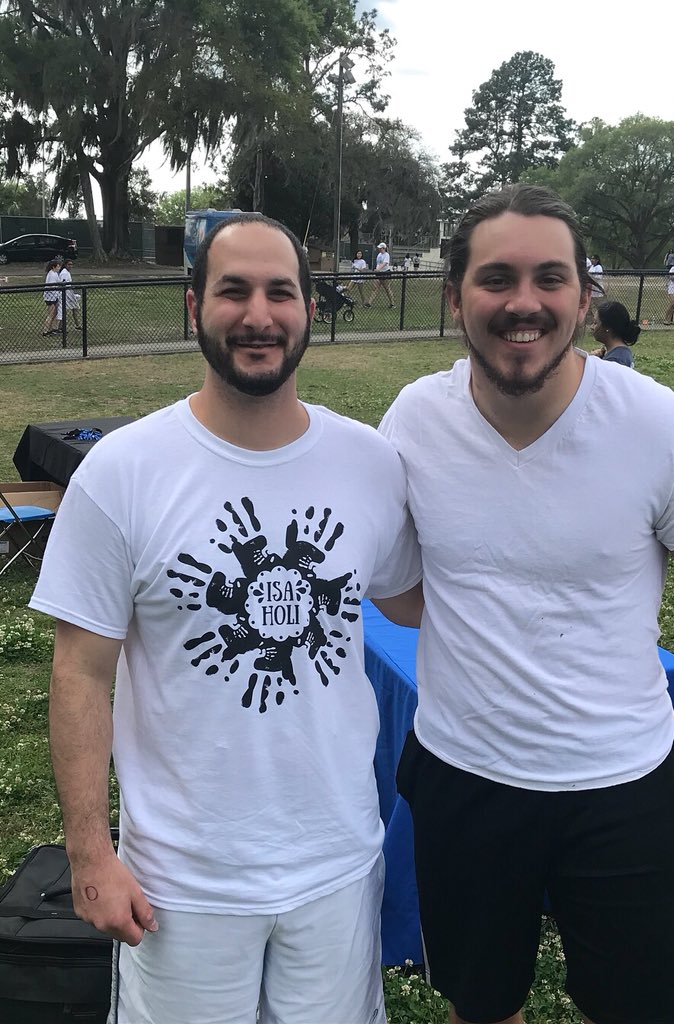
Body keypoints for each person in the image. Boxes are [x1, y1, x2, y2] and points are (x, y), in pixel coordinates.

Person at [379, 183, 674, 1024]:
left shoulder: (660, 426)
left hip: (623, 787)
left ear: (584, 298)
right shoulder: (415, 421)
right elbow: (409, 595)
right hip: (464, 778)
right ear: (454, 297)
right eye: (496, 278)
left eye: (550, 278)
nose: (523, 303)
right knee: (481, 1007)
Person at [31, 213, 422, 1024]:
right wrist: (89, 851)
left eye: (281, 292)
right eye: (233, 291)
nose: (258, 315)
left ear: (310, 308)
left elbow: (411, 599)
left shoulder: (371, 463)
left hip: (337, 861)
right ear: (193, 306)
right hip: (182, 879)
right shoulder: (122, 472)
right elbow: (80, 673)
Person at [589, 299, 640, 367]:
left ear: (608, 328)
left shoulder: (616, 360)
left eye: (595, 323)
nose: (591, 327)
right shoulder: (619, 353)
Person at [365, 242, 395, 307]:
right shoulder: (379, 255)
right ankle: (369, 303)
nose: (379, 249)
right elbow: (378, 264)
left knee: (387, 289)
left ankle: (392, 303)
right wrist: (376, 269)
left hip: (385, 273)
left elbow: (384, 263)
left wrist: (378, 269)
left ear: (383, 248)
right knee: (375, 288)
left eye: (380, 248)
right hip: (378, 273)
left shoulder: (386, 255)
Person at [58, 257, 81, 329]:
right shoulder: (64, 273)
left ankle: (77, 324)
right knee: (64, 311)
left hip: (69, 293)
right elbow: (63, 283)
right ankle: (61, 327)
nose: (70, 266)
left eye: (71, 264)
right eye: (69, 264)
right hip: (66, 294)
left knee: (75, 308)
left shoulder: (67, 272)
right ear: (65, 265)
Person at [42, 258, 61, 335]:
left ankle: (52, 328)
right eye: (58, 266)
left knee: (55, 313)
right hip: (50, 297)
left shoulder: (55, 273)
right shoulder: (52, 274)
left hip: (54, 296)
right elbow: (51, 285)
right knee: (50, 314)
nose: (59, 268)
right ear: (54, 267)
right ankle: (45, 331)